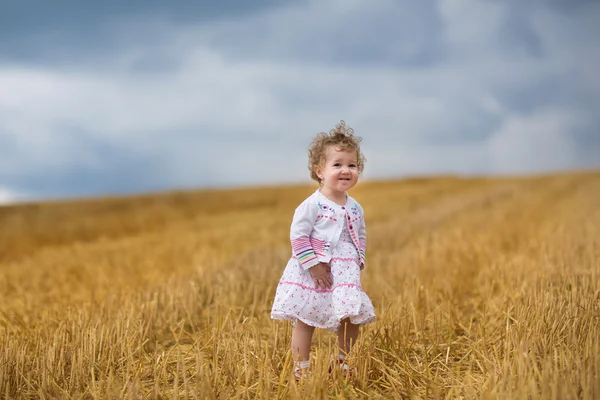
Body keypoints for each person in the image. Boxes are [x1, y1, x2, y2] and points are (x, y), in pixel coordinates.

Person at [271, 120, 376, 380]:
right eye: (337, 164)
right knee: (306, 320)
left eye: (352, 165)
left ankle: (343, 362)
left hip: (345, 273)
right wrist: (314, 266)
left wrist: (358, 260)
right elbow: (298, 236)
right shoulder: (312, 204)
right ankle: (301, 369)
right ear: (320, 171)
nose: (346, 170)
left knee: (351, 317)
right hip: (314, 271)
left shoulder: (355, 207)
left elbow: (360, 234)